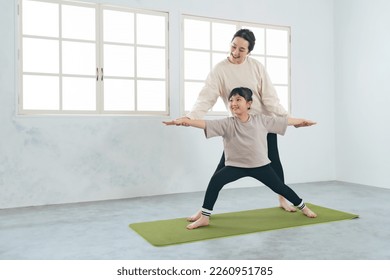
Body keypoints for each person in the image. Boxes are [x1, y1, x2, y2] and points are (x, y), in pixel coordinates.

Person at [178, 28, 302, 212]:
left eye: (241, 49)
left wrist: (286, 118)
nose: (235, 52)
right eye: (233, 46)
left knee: (274, 161)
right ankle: (205, 208)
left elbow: (270, 97)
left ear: (249, 51)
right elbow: (206, 96)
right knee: (222, 167)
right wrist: (191, 117)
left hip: (262, 123)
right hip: (237, 125)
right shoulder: (220, 70)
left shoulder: (256, 67)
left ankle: (282, 199)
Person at [164, 87, 317, 230]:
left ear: (249, 103)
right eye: (231, 100)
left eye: (238, 100)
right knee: (215, 181)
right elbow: (204, 123)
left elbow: (284, 121)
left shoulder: (261, 120)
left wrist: (302, 121)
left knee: (280, 187)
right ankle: (205, 217)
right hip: (235, 166)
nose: (233, 103)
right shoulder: (227, 123)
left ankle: (303, 207)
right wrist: (185, 121)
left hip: (260, 166)